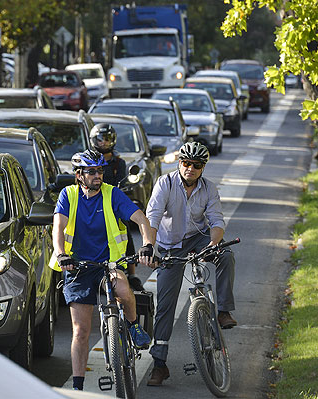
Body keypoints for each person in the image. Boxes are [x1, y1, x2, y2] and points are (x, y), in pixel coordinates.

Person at [52, 149, 153, 391]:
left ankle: (132, 325)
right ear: (79, 175)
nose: (98, 175)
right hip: (77, 266)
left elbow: (142, 220)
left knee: (124, 290)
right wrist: (61, 254)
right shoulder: (68, 195)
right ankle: (77, 386)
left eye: (100, 171)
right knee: (81, 330)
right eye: (92, 172)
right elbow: (58, 227)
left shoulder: (112, 194)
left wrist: (148, 244)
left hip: (108, 264)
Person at [140, 142, 237, 386]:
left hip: (199, 237)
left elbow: (216, 220)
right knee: (165, 305)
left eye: (196, 165)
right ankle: (160, 365)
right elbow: (152, 217)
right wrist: (149, 247)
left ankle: (223, 310)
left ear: (203, 168)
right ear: (179, 163)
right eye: (186, 163)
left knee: (226, 255)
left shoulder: (209, 189)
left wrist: (213, 244)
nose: (190, 169)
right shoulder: (165, 183)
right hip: (170, 246)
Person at [89, 123, 144, 292]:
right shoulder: (89, 158)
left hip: (114, 203)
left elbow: (121, 181)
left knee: (125, 231)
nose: (104, 143)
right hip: (92, 203)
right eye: (100, 139)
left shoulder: (118, 162)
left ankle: (132, 273)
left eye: (107, 139)